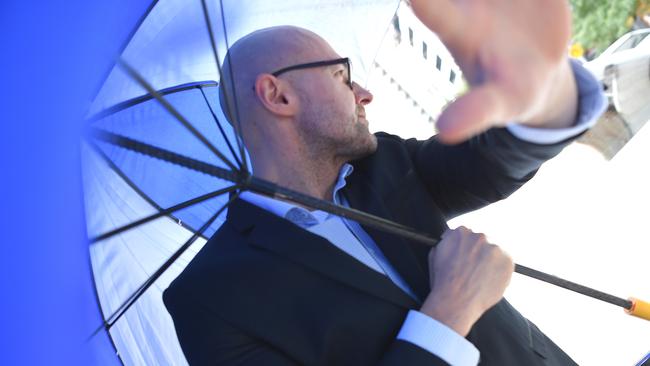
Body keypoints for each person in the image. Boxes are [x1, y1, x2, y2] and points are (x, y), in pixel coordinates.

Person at [164, 1, 606, 365]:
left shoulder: (384, 163)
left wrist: (543, 96)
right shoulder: (208, 301)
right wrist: (450, 310)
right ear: (278, 96)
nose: (364, 94)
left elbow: (491, 160)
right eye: (341, 76)